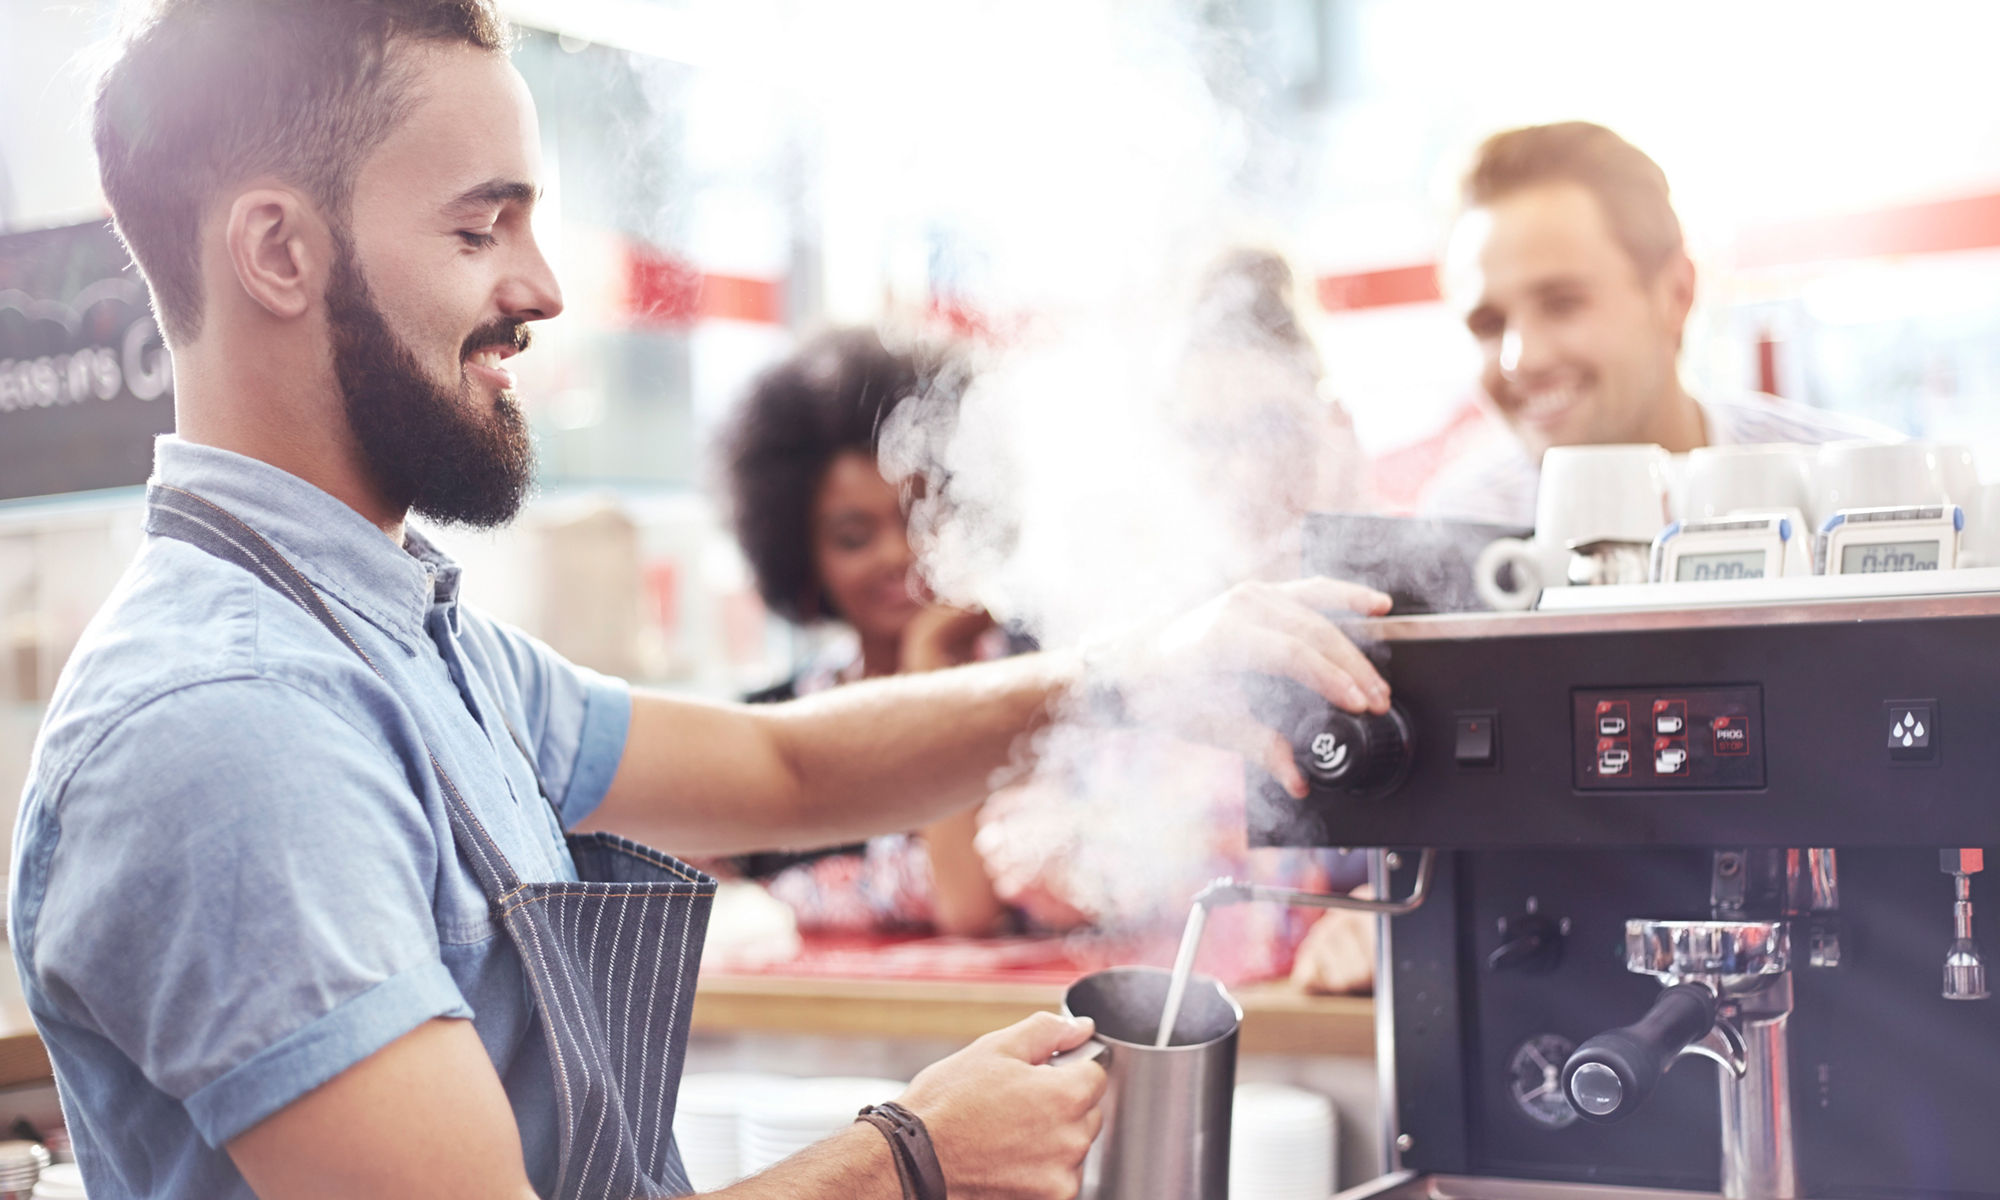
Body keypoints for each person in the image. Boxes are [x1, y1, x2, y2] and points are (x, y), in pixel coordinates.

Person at [8, 3, 1395, 1198]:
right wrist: (911, 1157)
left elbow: (779, 766)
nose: (541, 289)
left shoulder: (398, 640)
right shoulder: (234, 729)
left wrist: (1127, 670)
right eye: (481, 227)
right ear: (279, 252)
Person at [1421, 121, 1892, 527]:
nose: (1521, 358)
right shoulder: (1464, 522)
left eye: (1562, 303)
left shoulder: (1868, 489)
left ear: (1675, 294)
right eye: (1487, 324)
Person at [716, 328, 1012, 938]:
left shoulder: (1029, 698)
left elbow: (969, 911)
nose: (896, 555)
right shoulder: (777, 721)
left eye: (920, 517)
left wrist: (930, 660)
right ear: (803, 554)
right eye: (853, 538)